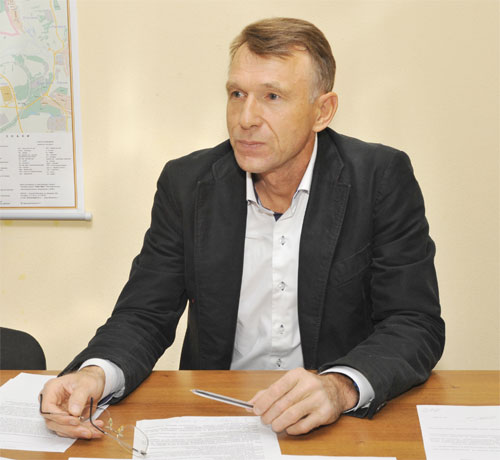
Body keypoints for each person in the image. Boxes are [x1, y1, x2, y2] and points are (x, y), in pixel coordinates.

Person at [40, 17, 445, 439]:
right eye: (237, 94)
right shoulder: (187, 184)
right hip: (219, 416)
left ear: (322, 111)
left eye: (272, 96)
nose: (246, 118)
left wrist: (339, 386)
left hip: (338, 423)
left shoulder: (379, 178)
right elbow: (145, 313)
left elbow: (414, 322)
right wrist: (94, 373)